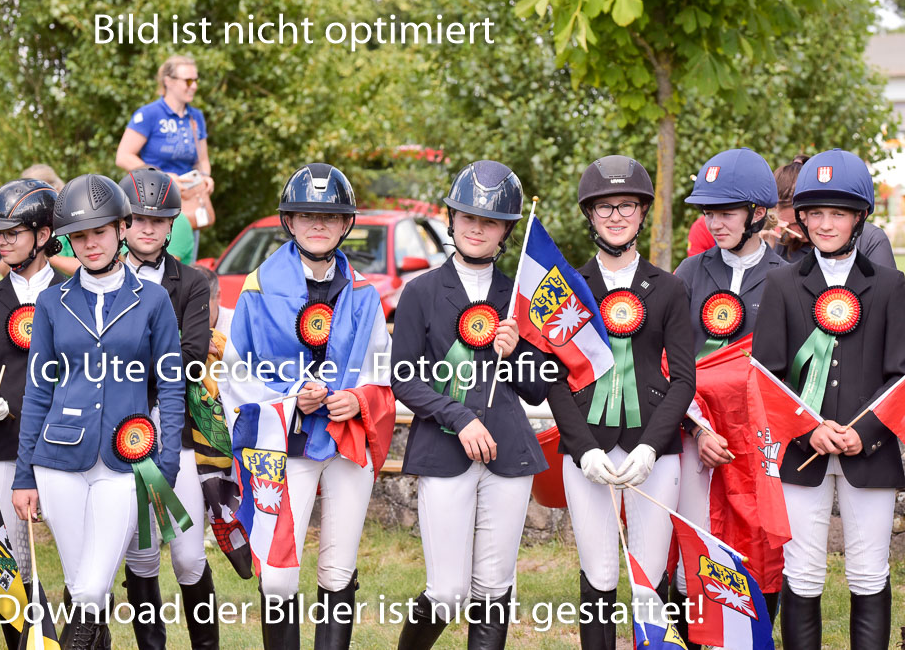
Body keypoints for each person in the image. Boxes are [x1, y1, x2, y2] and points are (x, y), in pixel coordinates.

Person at [218, 163, 395, 650]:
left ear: (345, 224)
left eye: (330, 216)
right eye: (306, 214)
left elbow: (381, 370)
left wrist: (356, 399)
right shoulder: (257, 287)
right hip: (283, 444)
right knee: (278, 576)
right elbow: (235, 373)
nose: (318, 223)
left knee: (338, 569)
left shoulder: (364, 292)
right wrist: (293, 396)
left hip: (345, 439)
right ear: (289, 222)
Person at [11, 174, 185, 649]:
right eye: (80, 235)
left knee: (90, 590)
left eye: (100, 232)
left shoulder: (154, 300)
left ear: (122, 228)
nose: (90, 244)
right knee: (83, 586)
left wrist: (166, 468)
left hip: (128, 464)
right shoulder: (51, 303)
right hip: (58, 461)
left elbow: (171, 387)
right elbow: (37, 392)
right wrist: (24, 475)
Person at [391, 160, 550, 650]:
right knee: (447, 591)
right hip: (443, 451)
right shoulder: (420, 291)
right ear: (452, 219)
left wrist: (516, 350)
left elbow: (537, 388)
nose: (477, 228)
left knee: (494, 587)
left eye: (490, 221)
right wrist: (459, 418)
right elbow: (403, 379)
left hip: (510, 453)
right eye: (468, 217)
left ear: (506, 231)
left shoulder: (520, 296)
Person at [753, 149, 904, 650]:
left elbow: (901, 373)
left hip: (871, 451)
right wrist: (807, 428)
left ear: (859, 217)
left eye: (837, 213)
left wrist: (865, 433)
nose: (824, 224)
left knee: (869, 572)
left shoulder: (891, 285)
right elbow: (766, 372)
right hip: (803, 450)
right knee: (802, 572)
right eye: (815, 212)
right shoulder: (781, 283)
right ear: (801, 217)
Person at [545, 155, 695, 649]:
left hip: (653, 450)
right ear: (590, 215)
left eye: (626, 205)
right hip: (587, 447)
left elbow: (684, 379)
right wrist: (582, 447)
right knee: (599, 573)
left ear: (642, 211)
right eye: (605, 207)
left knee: (649, 576)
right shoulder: (567, 287)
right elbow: (553, 376)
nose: (616, 216)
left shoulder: (669, 288)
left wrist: (652, 446)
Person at [672, 148, 785, 646]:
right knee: (692, 550)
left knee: (760, 547)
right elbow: (671, 359)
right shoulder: (689, 272)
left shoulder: (787, 276)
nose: (714, 223)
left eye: (725, 212)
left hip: (759, 439)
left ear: (757, 212)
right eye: (708, 212)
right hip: (696, 433)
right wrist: (696, 428)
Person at [0, 178, 67, 650]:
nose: (0, 241)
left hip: (67, 443)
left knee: (83, 564)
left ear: (43, 235)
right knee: (13, 565)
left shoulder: (74, 294)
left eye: (11, 233)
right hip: (4, 445)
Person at [117, 167, 217, 650]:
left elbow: (192, 358)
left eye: (158, 220)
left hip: (173, 425)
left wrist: (128, 358)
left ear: (171, 224)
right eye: (138, 219)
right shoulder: (102, 280)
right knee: (141, 555)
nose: (147, 229)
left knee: (188, 556)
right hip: (118, 429)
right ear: (122, 223)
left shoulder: (192, 283)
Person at [116, 55, 212, 259]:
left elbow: (202, 160)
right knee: (147, 266)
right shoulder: (149, 114)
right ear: (168, 81)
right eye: (188, 81)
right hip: (153, 206)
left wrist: (205, 177)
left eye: (196, 80)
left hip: (187, 204)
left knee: (182, 265)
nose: (194, 86)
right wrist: (163, 178)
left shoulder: (195, 117)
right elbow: (123, 156)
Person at [768, 154, 895, 268]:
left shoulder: (869, 239)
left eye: (797, 223)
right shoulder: (780, 244)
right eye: (787, 227)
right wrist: (765, 253)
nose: (792, 234)